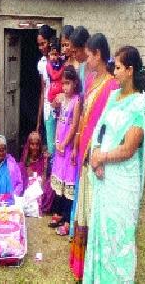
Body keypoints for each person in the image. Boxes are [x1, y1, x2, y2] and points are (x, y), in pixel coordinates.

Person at [83, 46, 145, 283]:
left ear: (131, 70)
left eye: (119, 68)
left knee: (118, 236)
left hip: (123, 182)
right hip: (105, 177)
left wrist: (102, 157)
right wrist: (95, 154)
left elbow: (129, 148)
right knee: (102, 233)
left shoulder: (139, 105)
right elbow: (100, 128)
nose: (114, 73)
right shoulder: (114, 97)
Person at [69, 33, 119, 282]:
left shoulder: (112, 85)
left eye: (88, 55)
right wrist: (78, 141)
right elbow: (86, 118)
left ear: (98, 54)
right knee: (84, 212)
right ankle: (83, 267)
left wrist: (94, 152)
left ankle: (94, 267)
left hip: (97, 157)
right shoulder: (90, 80)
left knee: (94, 211)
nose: (86, 60)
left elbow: (108, 127)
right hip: (84, 154)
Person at [50, 65, 81, 236]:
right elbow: (59, 121)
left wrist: (64, 144)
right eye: (63, 84)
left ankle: (68, 220)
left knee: (68, 181)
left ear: (75, 83)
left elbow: (74, 126)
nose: (65, 87)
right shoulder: (63, 100)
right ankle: (58, 213)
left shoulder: (77, 101)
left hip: (68, 147)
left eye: (68, 84)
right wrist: (56, 140)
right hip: (59, 144)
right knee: (59, 179)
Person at [68, 25, 90, 238]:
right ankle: (76, 225)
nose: (74, 55)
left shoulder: (101, 70)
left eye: (76, 51)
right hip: (82, 127)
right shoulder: (82, 68)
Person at [19, 131, 54, 214]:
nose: (34, 147)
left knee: (51, 184)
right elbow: (23, 181)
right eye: (32, 144)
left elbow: (44, 180)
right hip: (27, 190)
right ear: (28, 145)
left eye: (37, 144)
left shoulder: (43, 158)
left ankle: (39, 207)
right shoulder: (24, 160)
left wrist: (45, 162)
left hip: (40, 189)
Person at [36, 24, 56, 155]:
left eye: (43, 43)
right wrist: (38, 122)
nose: (41, 47)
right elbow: (43, 91)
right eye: (39, 44)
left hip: (61, 110)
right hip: (48, 110)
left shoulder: (59, 60)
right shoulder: (42, 63)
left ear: (50, 41)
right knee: (51, 148)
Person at [69, 26, 90, 91]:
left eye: (75, 52)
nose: (74, 55)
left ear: (85, 47)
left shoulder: (97, 68)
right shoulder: (81, 67)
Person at [46, 36, 64, 104]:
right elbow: (54, 76)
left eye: (55, 55)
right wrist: (62, 68)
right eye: (52, 55)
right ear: (49, 54)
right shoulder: (49, 65)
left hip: (61, 91)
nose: (53, 57)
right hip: (53, 92)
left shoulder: (61, 63)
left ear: (59, 55)